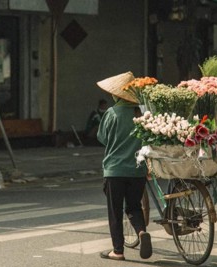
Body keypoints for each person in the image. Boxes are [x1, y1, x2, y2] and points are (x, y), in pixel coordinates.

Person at [96, 72, 152, 261]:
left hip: (115, 170)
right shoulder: (141, 113)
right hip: (138, 170)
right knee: (134, 207)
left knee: (115, 211)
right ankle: (141, 231)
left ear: (117, 95)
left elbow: (102, 138)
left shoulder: (111, 113)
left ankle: (118, 251)